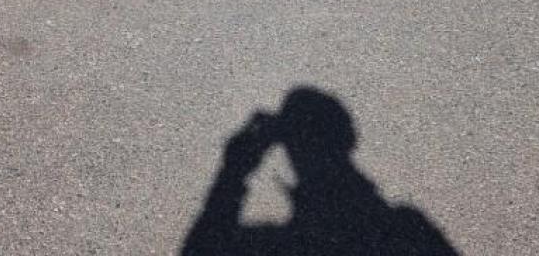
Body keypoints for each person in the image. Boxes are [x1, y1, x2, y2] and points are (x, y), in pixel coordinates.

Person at [182, 87, 457, 255]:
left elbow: (203, 248)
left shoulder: (277, 245)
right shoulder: (407, 228)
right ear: (348, 141)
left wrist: (233, 171)